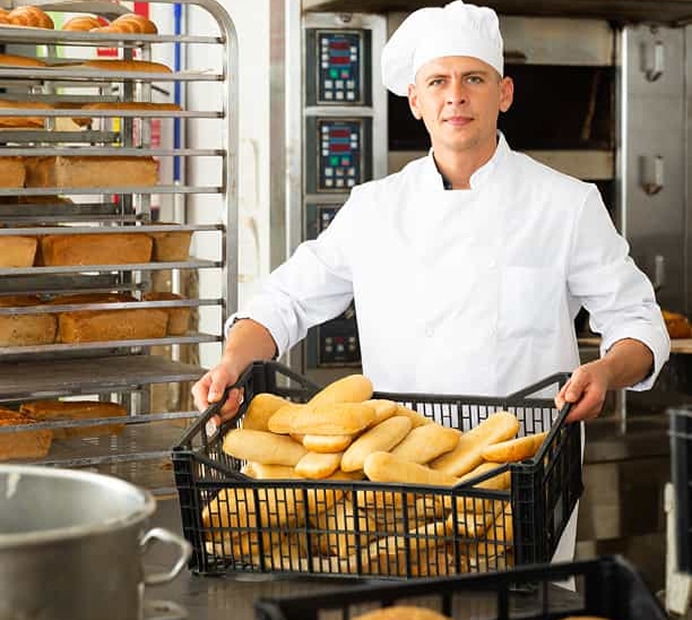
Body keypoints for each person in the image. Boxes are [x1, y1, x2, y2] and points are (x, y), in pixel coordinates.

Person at [192, 0, 670, 571]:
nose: (456, 96)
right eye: (438, 81)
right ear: (416, 101)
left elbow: (639, 322)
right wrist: (231, 362)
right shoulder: (374, 208)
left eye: (474, 79)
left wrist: (606, 371)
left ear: (504, 92)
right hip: (392, 486)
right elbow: (285, 301)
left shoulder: (565, 205)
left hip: (517, 486)